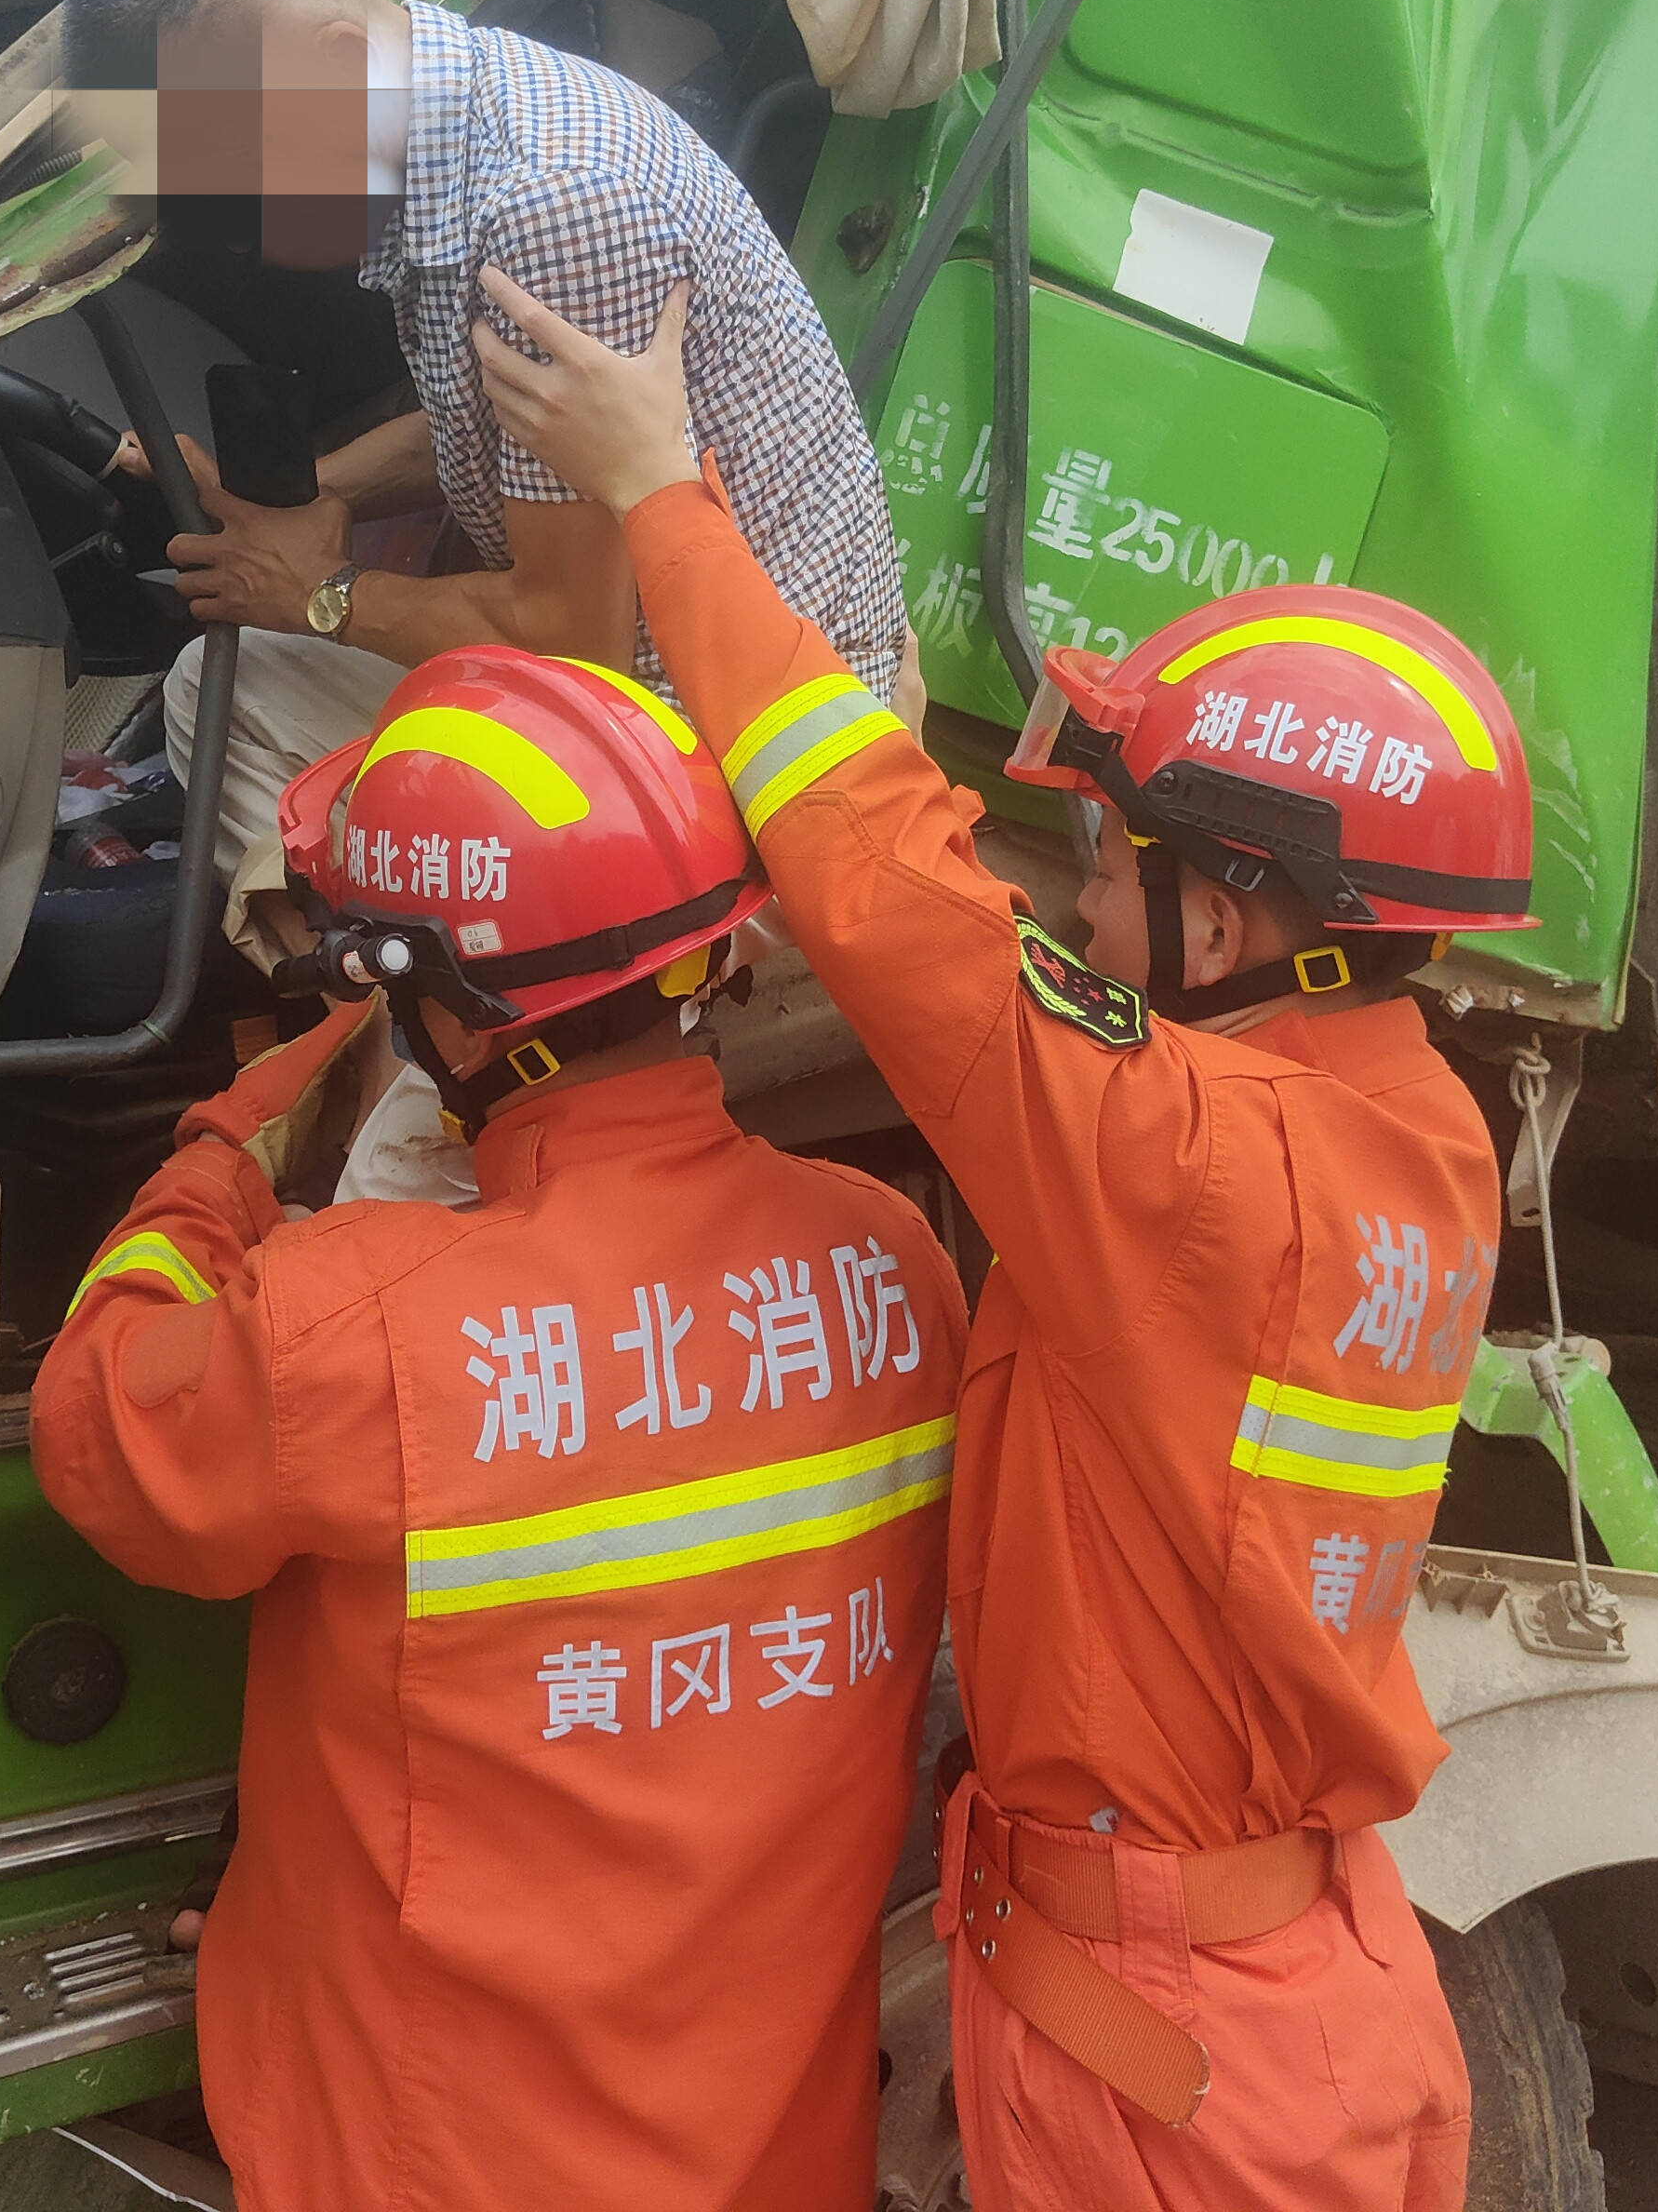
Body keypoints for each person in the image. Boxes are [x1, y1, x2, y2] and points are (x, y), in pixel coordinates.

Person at [476, 276, 1532, 2212]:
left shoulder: (1194, 1163)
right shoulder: (1415, 1136)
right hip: (1305, 1997)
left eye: (1103, 875)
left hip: (1161, 2063)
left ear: (1225, 930)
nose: (1072, 907)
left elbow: (893, 874)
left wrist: (658, 497)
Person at [30, 644, 967, 2212]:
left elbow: (95, 1425)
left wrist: (219, 1150)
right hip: (767, 2163)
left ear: (440, 1012)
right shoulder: (889, 1261)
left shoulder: (360, 1323)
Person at [57, 0, 914, 1003]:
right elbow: (507, 436)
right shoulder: (468, 121)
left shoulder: (550, 206)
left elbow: (575, 643)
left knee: (242, 699)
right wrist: (323, 495)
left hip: (733, 767)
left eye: (238, 160)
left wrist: (319, 592)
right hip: (678, 687)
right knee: (207, 688)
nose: (242, 212)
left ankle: (469, 1032)